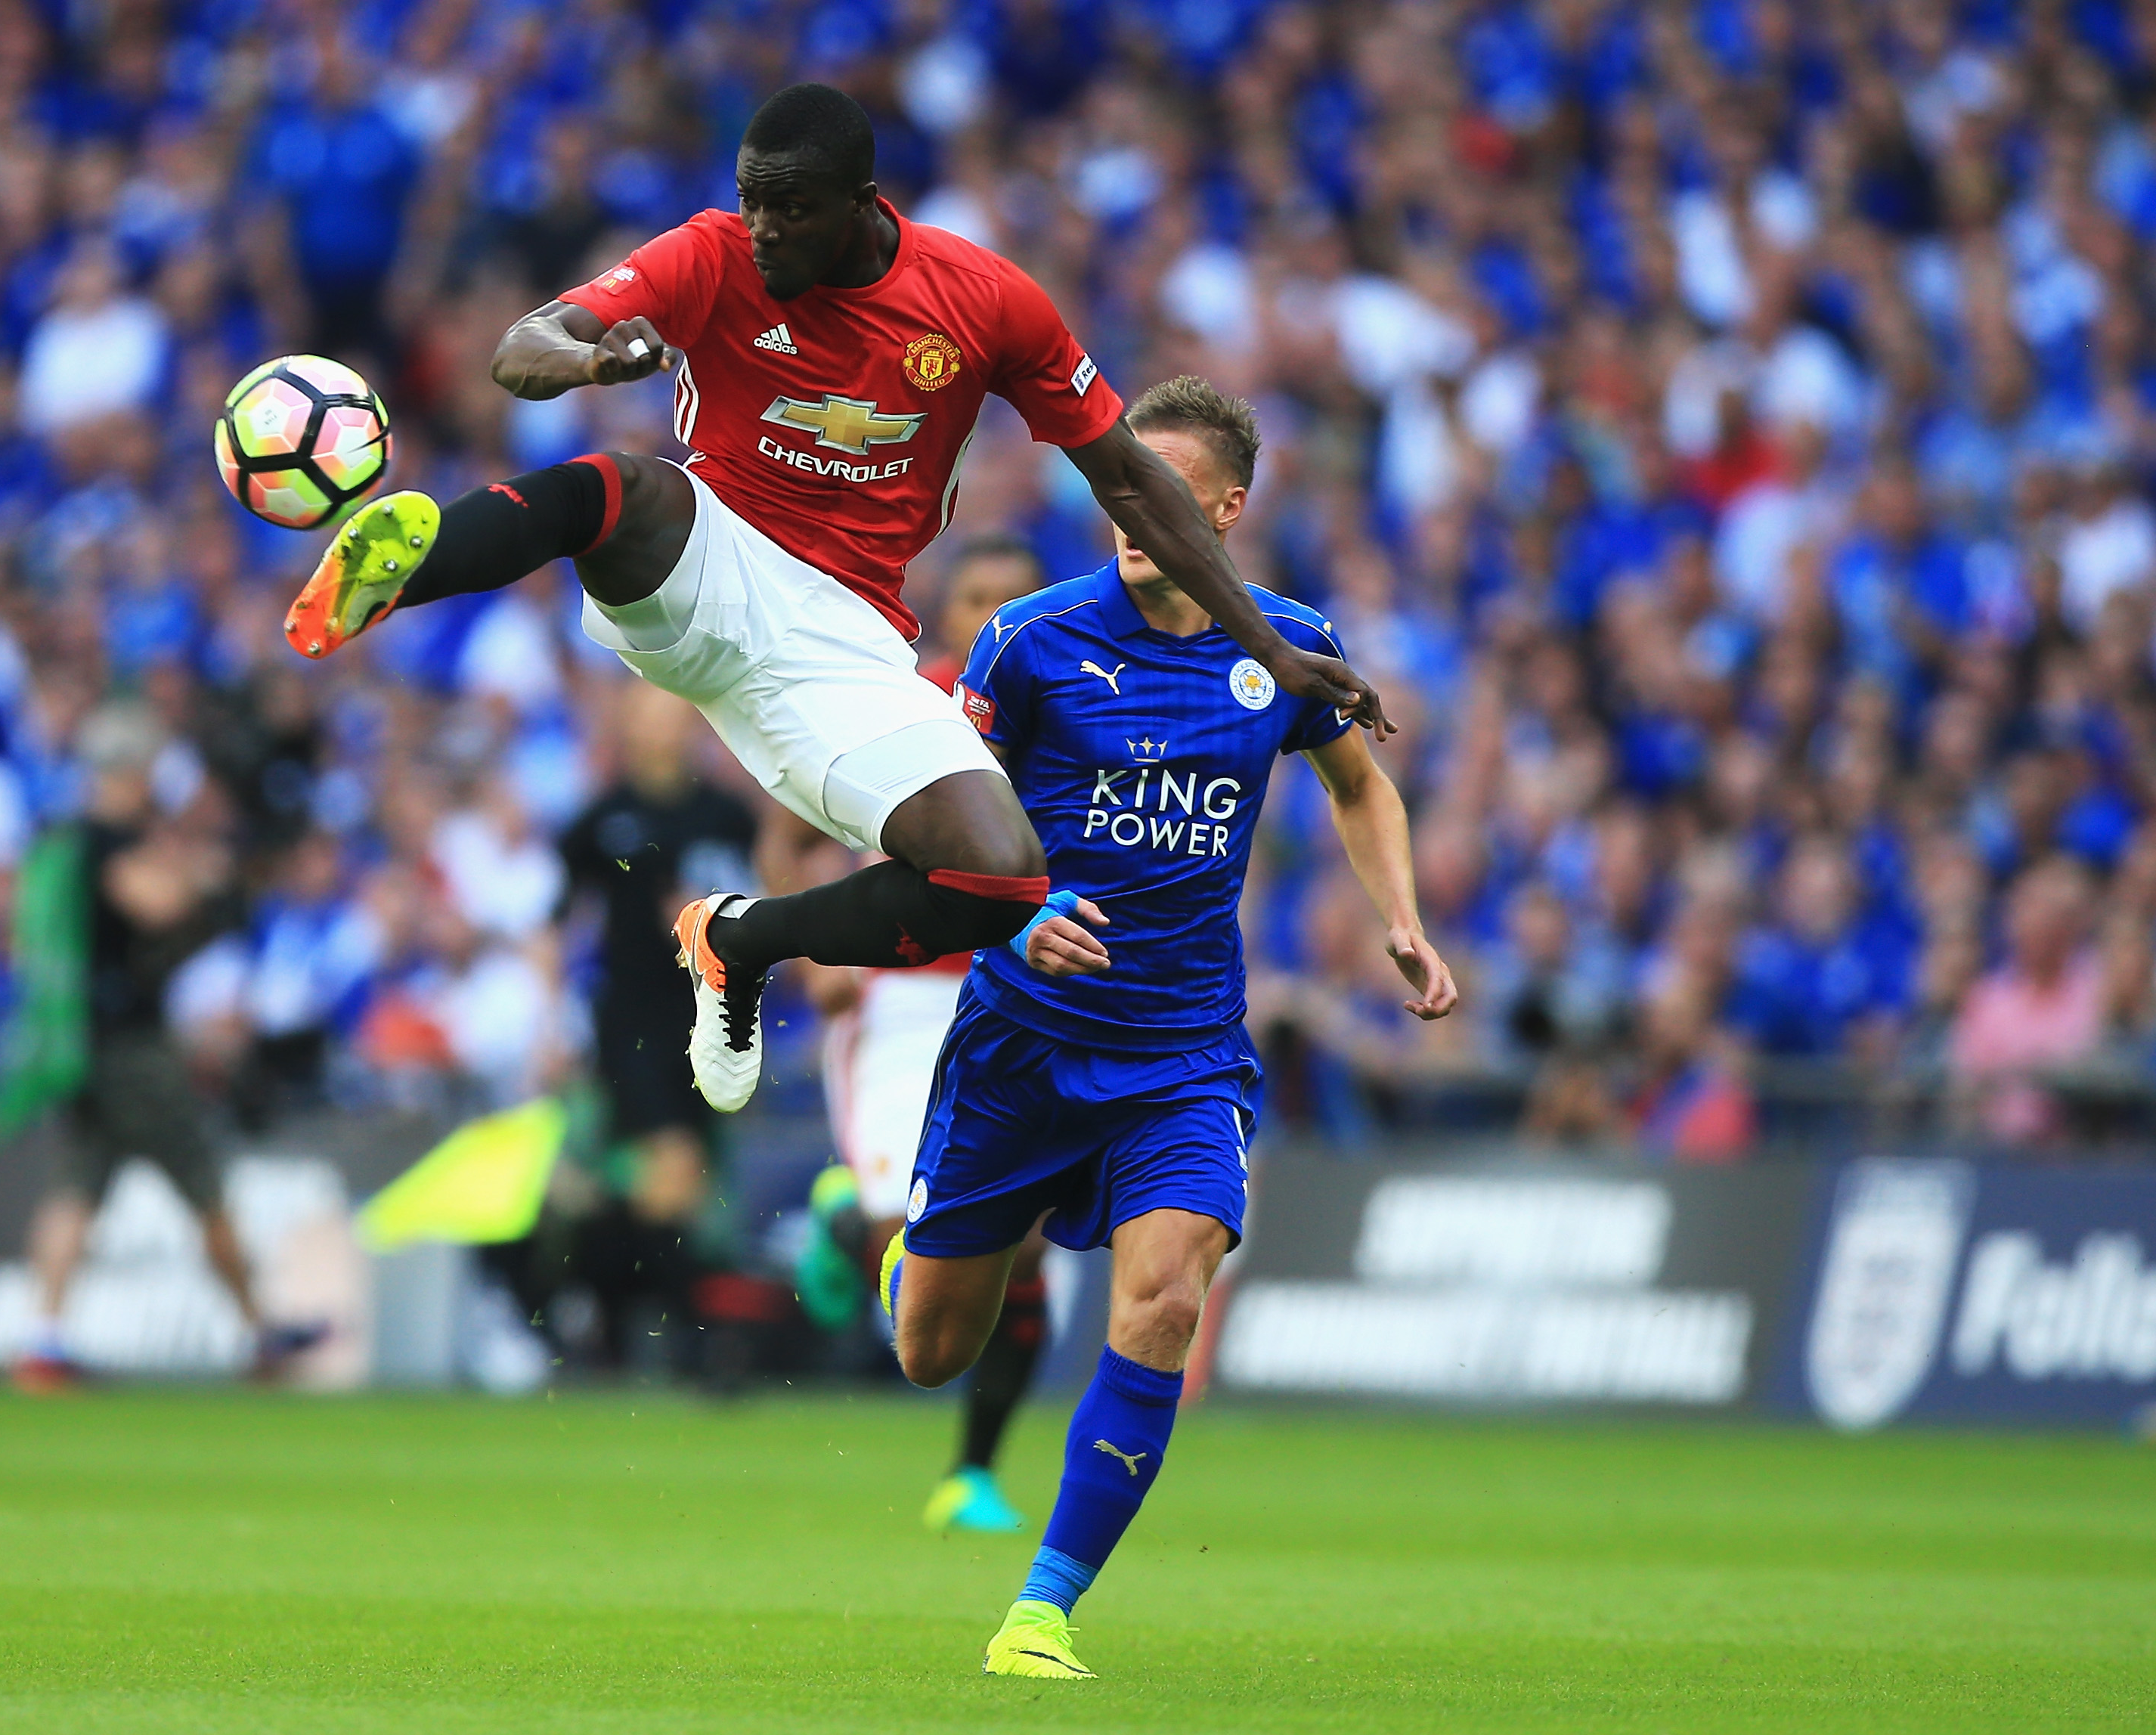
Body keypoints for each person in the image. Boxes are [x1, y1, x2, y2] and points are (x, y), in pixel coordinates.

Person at [280, 82, 1386, 1123]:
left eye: (791, 210)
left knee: (996, 876)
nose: (762, 230)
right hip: (707, 560)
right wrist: (588, 359)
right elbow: (523, 346)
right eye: (753, 201)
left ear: (864, 207)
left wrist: (1269, 647)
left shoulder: (983, 302)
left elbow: (1131, 478)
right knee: (623, 490)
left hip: (844, 640)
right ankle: (399, 571)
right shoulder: (712, 254)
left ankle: (743, 942)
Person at [876, 379, 1459, 1678]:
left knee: (1163, 1298)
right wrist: (1011, 918)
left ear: (1229, 511)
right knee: (930, 1351)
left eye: (1163, 496)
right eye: (1117, 488)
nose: (1130, 514)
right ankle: (900, 1264)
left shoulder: (1285, 646)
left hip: (1185, 1053)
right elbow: (928, 822)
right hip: (1020, 1041)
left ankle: (1041, 1610)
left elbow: (1361, 785)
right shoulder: (1027, 639)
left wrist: (1400, 918)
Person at [785, 532, 1052, 1532]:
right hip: (899, 993)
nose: (991, 616)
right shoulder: (894, 701)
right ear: (947, 611)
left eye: (1011, 597)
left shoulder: (1076, 706)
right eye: (976, 596)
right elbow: (797, 825)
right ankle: (849, 1219)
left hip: (1022, 993)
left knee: (1022, 1248)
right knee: (912, 1235)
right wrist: (816, 947)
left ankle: (974, 1473)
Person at [8, 703, 323, 1391]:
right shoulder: (104, 842)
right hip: (130, 1051)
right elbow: (158, 906)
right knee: (203, 1186)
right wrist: (210, 875)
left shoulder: (60, 843)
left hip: (82, 1046)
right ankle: (256, 1333)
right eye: (147, 770)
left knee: (76, 1189)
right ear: (124, 770)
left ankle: (43, 1338)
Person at [554, 681, 757, 1361]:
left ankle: (588, 1290)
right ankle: (703, 1348)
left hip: (707, 1016)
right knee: (673, 1167)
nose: (662, 728)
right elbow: (555, 921)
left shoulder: (726, 818)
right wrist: (549, 1022)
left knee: (674, 1188)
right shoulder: (601, 819)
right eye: (648, 714)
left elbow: (761, 908)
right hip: (630, 1021)